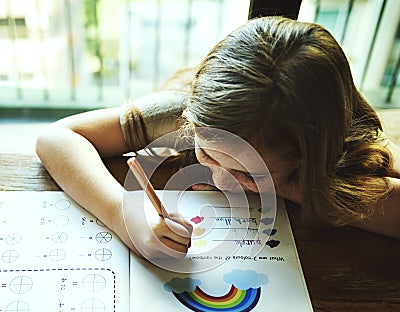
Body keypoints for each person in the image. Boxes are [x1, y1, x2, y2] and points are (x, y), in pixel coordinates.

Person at [35, 16, 400, 260]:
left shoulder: (350, 143)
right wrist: (122, 214)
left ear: (311, 156)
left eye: (250, 173)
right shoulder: (185, 112)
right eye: (208, 156)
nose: (222, 180)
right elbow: (56, 137)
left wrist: (301, 188)